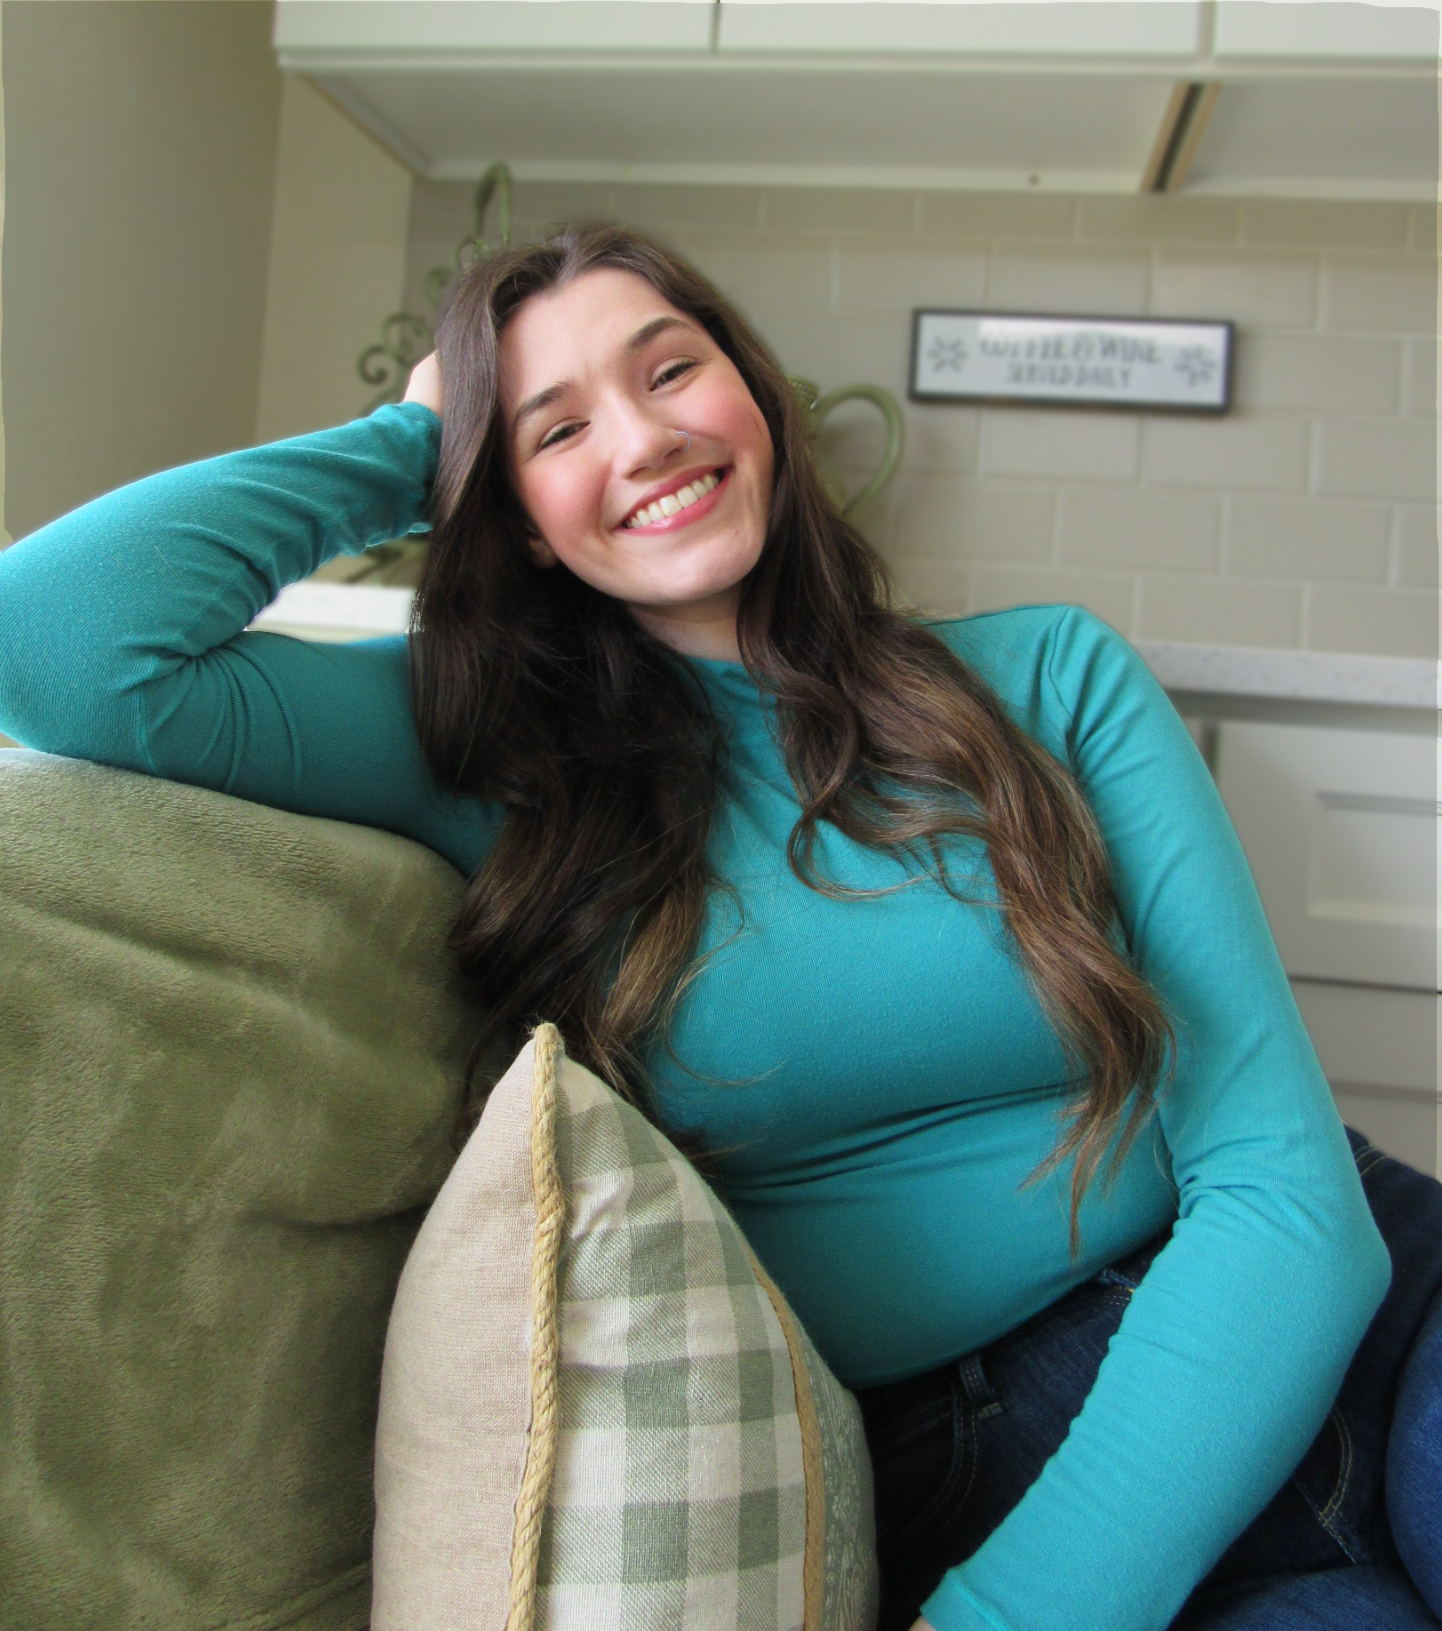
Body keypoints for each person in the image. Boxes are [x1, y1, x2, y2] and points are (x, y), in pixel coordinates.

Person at [1, 223, 1438, 1631]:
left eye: (669, 369)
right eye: (553, 430)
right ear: (508, 515)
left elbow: (1287, 1198)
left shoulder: (1052, 677)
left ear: (753, 397)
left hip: (1357, 1327)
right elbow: (57, 647)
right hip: (992, 1462)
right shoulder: (481, 754)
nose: (639, 439)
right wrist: (403, 445)